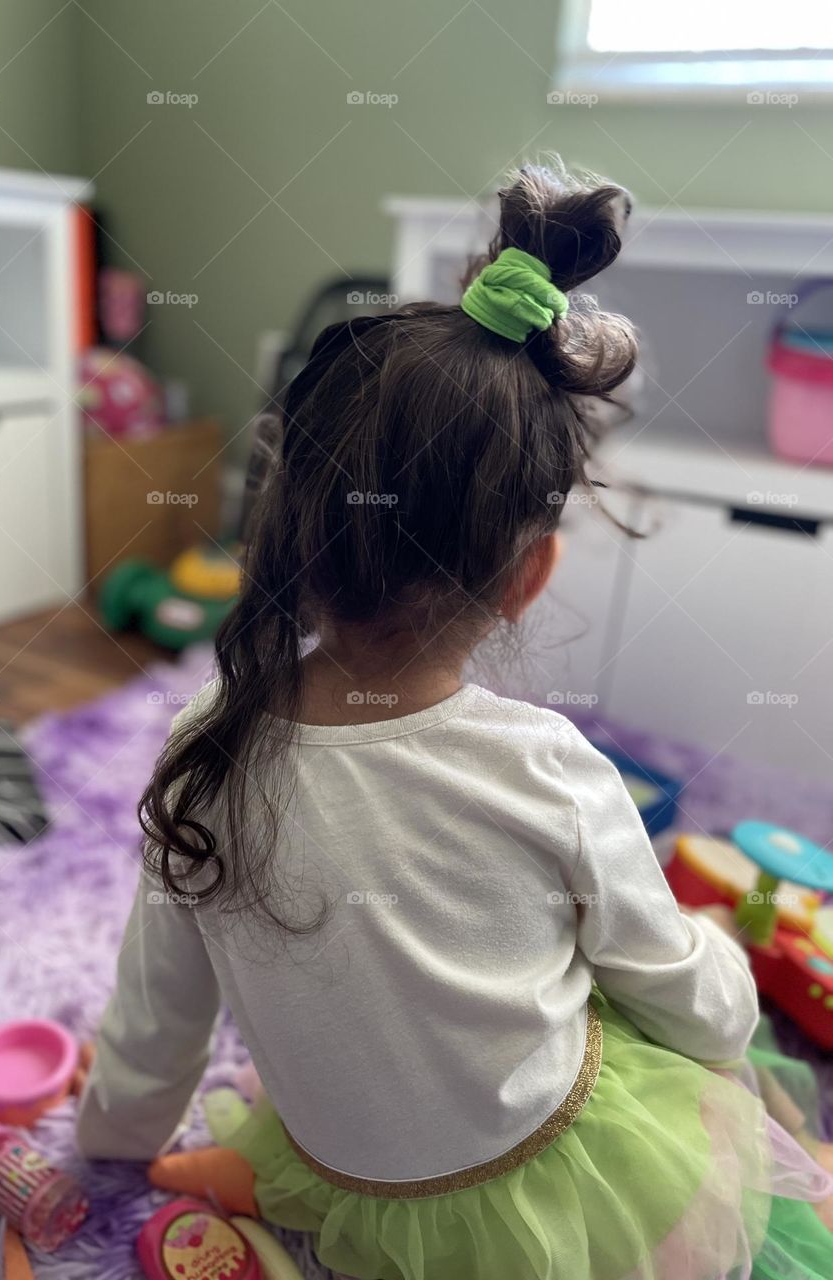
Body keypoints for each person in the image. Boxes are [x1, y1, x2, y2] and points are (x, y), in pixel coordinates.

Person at [78, 162, 833, 1280]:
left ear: (282, 526)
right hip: (538, 1211)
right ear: (533, 573)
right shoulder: (551, 771)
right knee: (697, 1064)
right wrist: (724, 967)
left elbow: (156, 1014)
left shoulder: (203, 746)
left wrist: (113, 1141)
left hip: (352, 1168)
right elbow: (686, 1001)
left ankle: (262, 1172)